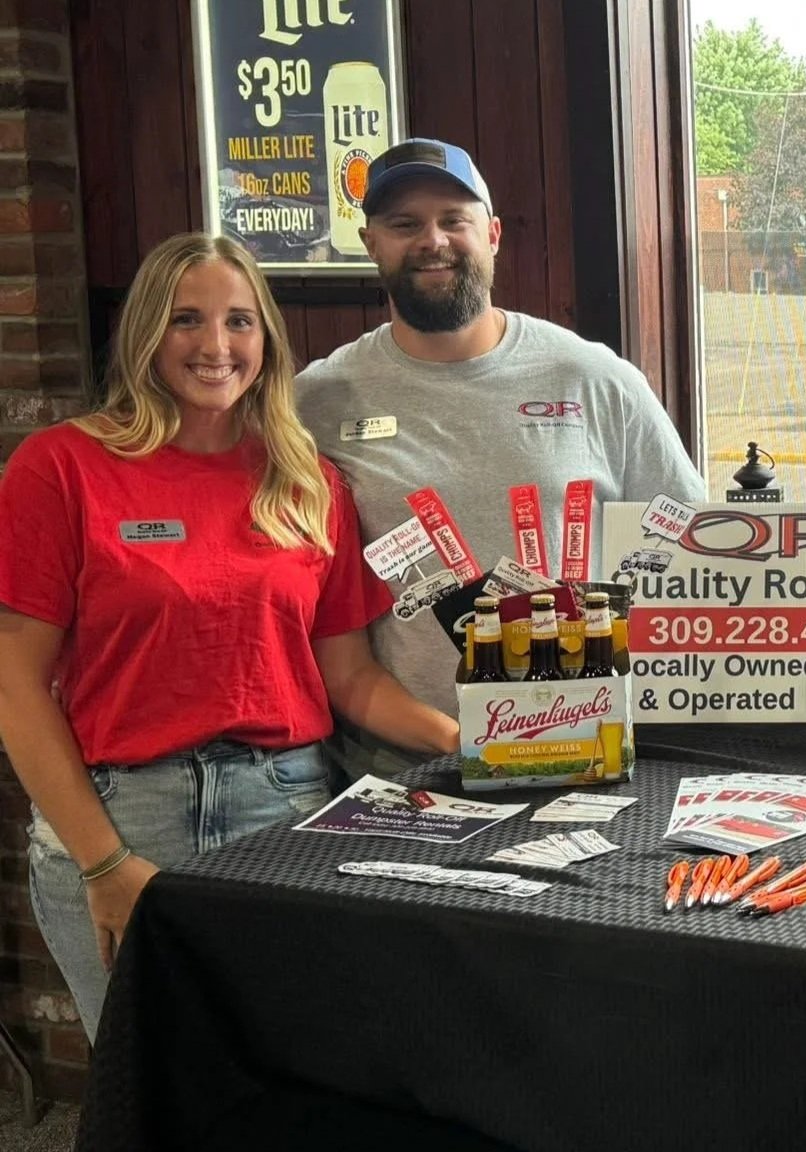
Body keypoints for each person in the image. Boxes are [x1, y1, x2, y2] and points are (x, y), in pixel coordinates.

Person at [0, 234, 460, 1038]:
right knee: (147, 1091)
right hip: (119, 816)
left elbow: (348, 679)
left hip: (282, 810)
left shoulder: (306, 480)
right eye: (187, 320)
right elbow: (14, 682)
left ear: (267, 341)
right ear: (146, 333)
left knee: (281, 1084)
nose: (215, 346)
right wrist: (104, 864)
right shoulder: (62, 468)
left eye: (239, 322)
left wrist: (480, 745)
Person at [296, 139, 707, 778]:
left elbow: (689, 546)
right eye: (405, 224)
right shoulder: (315, 401)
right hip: (404, 772)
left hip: (590, 750)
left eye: (453, 220)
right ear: (370, 242)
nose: (432, 240)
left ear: (491, 235)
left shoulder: (594, 377)